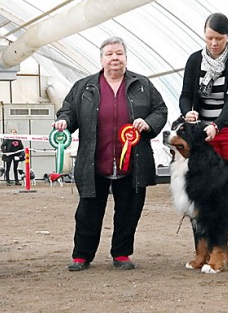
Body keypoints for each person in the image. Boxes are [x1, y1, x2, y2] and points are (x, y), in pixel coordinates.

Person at [54, 36, 167, 271]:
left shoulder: (143, 85)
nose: (115, 57)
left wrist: (147, 124)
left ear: (126, 57)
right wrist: (64, 121)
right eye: (109, 54)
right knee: (88, 212)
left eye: (119, 53)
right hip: (94, 162)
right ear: (101, 59)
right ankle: (82, 255)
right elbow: (68, 110)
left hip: (132, 162)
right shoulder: (84, 86)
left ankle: (122, 253)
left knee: (129, 211)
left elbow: (160, 110)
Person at [179, 13, 228, 266]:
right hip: (204, 134)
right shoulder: (193, 60)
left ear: (227, 37)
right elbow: (185, 94)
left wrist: (217, 125)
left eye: (219, 39)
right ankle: (206, 249)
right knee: (203, 192)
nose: (213, 43)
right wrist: (187, 112)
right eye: (209, 38)